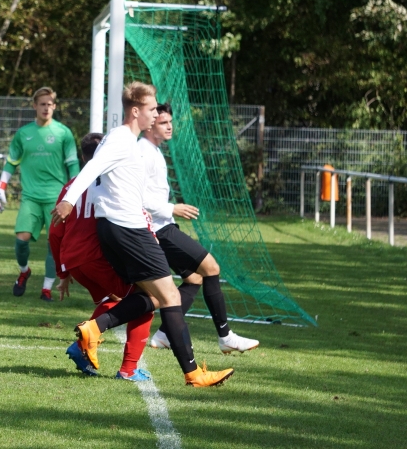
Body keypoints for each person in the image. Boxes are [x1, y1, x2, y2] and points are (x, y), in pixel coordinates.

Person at [51, 82, 233, 387]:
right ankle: (193, 373)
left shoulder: (126, 141)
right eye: (151, 109)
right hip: (128, 229)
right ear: (136, 111)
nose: (156, 113)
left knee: (150, 297)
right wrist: (69, 200)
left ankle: (94, 329)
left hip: (117, 228)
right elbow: (92, 166)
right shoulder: (122, 139)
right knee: (171, 295)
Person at [139, 103, 260, 354]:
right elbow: (137, 197)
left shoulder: (154, 150)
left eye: (171, 121)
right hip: (158, 229)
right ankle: (226, 336)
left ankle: (164, 334)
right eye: (163, 122)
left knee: (194, 278)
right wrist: (172, 208)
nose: (170, 126)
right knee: (211, 267)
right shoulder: (143, 152)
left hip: (163, 226)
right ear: (150, 124)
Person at [50, 132, 154, 382]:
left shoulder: (70, 186)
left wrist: (63, 273)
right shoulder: (112, 183)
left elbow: (54, 233)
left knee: (120, 299)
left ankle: (85, 343)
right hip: (97, 258)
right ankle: (127, 368)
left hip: (74, 261)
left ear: (82, 156)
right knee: (147, 299)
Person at [0, 87, 79, 301]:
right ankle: (24, 271)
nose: (46, 108)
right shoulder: (24, 134)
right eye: (42, 104)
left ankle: (46, 289)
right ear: (35, 106)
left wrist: (75, 194)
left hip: (56, 198)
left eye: (50, 104)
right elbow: (11, 162)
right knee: (21, 240)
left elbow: (73, 165)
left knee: (54, 245)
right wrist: (1, 187)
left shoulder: (63, 133)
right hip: (30, 197)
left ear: (54, 106)